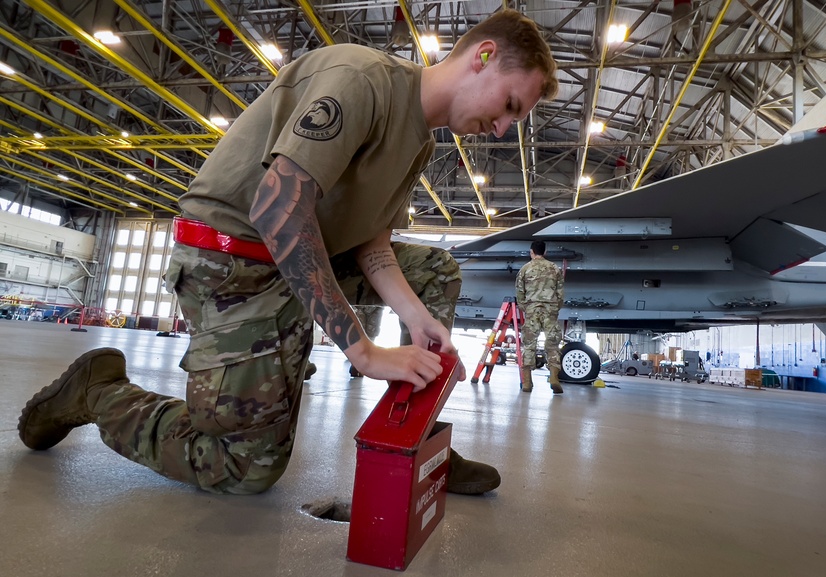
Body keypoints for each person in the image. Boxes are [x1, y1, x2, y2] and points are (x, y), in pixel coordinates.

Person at [17, 9, 559, 496]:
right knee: (243, 466)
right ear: (482, 56)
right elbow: (279, 212)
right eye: (511, 105)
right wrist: (364, 351)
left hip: (296, 257)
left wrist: (416, 320)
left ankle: (410, 440)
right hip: (231, 265)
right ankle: (99, 393)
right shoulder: (362, 79)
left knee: (434, 270)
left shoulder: (420, 143)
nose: (506, 129)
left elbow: (373, 245)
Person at [515, 240, 565, 394]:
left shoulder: (525, 269)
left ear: (531, 252)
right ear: (545, 252)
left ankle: (527, 383)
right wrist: (555, 308)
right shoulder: (554, 268)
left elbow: (519, 292)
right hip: (550, 309)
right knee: (552, 344)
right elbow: (560, 293)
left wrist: (526, 308)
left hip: (532, 309)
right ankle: (554, 378)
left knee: (529, 345)